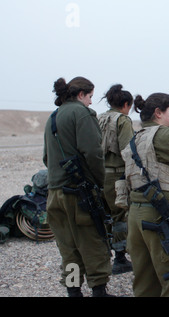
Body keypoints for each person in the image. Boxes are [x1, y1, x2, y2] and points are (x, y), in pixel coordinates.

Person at [121, 92, 169, 297]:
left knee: (146, 283)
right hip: (162, 216)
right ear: (158, 113)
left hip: (137, 217)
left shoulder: (136, 138)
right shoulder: (164, 135)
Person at [43, 76, 114, 297]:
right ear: (81, 94)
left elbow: (47, 158)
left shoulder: (53, 117)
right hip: (78, 194)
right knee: (93, 243)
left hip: (54, 193)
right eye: (90, 97)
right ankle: (98, 291)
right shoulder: (81, 113)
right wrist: (101, 184)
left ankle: (74, 291)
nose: (91, 102)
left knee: (69, 248)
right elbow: (93, 152)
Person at [97, 84, 134, 275]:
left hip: (100, 173)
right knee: (120, 214)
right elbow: (128, 150)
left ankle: (105, 255)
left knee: (105, 215)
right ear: (125, 104)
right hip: (117, 173)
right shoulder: (123, 120)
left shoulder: (99, 118)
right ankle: (120, 257)